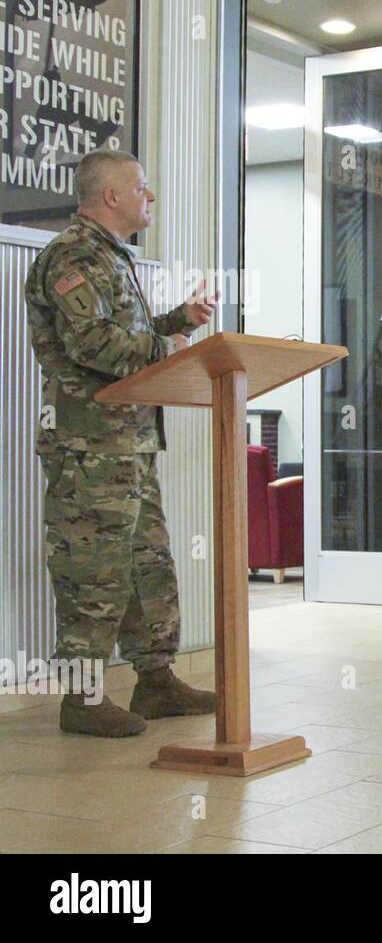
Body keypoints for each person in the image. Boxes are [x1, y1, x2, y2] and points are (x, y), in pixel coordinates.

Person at [25, 149, 218, 737]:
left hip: (127, 444)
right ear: (111, 196)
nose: (150, 197)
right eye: (142, 188)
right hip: (88, 449)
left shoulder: (109, 256)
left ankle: (155, 680)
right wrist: (170, 350)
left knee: (146, 566)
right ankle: (82, 700)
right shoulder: (72, 255)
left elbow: (123, 337)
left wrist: (174, 321)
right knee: (95, 572)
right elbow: (92, 344)